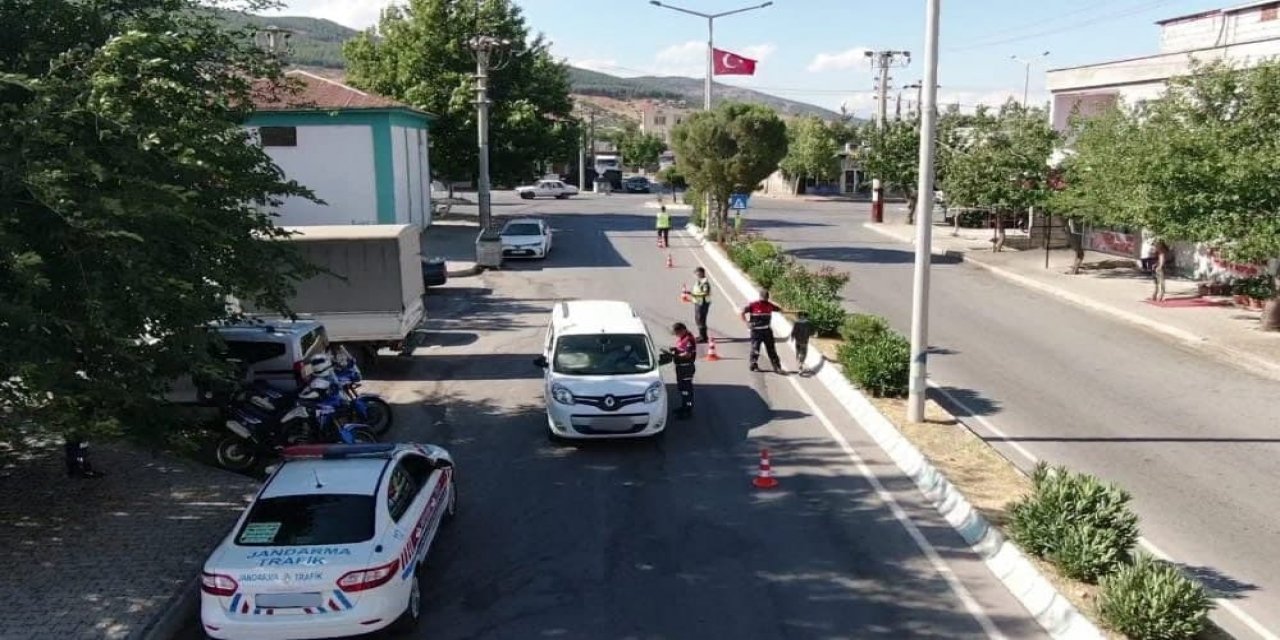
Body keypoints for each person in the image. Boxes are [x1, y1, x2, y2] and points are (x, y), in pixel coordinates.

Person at [742, 290, 784, 373]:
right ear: (760, 297)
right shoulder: (753, 305)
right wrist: (746, 323)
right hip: (756, 332)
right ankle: (753, 364)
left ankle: (776, 366)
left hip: (767, 331)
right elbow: (742, 312)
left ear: (767, 298)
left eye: (765, 298)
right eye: (763, 298)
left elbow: (779, 309)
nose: (764, 300)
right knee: (755, 348)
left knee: (771, 350)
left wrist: (782, 309)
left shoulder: (770, 305)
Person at [668, 322, 698, 418]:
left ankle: (688, 410)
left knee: (687, 390)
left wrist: (675, 355)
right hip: (681, 368)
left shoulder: (689, 339)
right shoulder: (683, 338)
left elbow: (688, 354)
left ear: (682, 330)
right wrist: (675, 349)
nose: (676, 335)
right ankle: (684, 406)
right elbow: (681, 349)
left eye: (677, 333)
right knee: (682, 389)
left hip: (686, 368)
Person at [690, 267, 712, 343]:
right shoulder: (699, 281)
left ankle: (703, 337)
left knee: (701, 319)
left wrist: (695, 295)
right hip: (698, 302)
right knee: (698, 319)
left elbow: (706, 293)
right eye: (696, 273)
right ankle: (702, 335)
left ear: (702, 273)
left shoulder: (705, 283)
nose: (696, 275)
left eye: (697, 273)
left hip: (703, 303)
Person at [792, 310, 812, 375]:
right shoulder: (808, 323)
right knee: (804, 353)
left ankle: (799, 365)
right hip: (804, 341)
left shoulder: (796, 322)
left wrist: (792, 337)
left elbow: (794, 331)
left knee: (798, 352)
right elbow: (811, 332)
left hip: (797, 340)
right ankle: (800, 365)